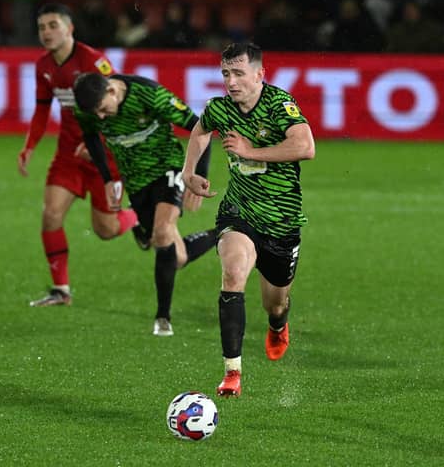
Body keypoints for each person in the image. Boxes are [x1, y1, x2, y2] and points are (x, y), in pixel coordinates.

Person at [182, 42, 315, 397]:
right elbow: (199, 131)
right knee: (233, 271)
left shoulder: (279, 104)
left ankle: (278, 324)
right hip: (239, 212)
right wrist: (189, 172)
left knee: (275, 301)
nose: (231, 81)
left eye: (239, 73)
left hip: (281, 219)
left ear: (259, 74)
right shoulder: (219, 107)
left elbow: (306, 147)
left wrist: (249, 151)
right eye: (226, 73)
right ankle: (232, 373)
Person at [72, 72, 216, 336]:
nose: (101, 117)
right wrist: (107, 179)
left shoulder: (149, 95)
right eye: (97, 113)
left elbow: (201, 126)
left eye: (104, 110)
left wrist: (198, 174)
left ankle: (163, 318)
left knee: (162, 233)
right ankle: (223, 234)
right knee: (178, 257)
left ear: (113, 92)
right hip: (136, 182)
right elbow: (91, 136)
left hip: (168, 168)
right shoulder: (88, 108)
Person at [17, 3, 139, 307]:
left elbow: (117, 107)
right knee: (51, 215)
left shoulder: (94, 62)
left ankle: (139, 216)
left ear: (70, 28)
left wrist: (101, 143)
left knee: (106, 230)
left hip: (102, 156)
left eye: (53, 25)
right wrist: (29, 146)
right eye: (42, 27)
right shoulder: (43, 66)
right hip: (69, 153)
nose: (47, 32)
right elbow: (43, 108)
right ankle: (61, 290)